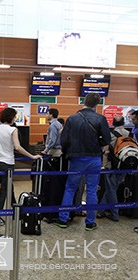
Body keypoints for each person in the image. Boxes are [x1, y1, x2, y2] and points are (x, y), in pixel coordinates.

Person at [55, 92, 111, 231]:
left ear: (84, 101)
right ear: (96, 104)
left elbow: (64, 140)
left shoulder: (72, 118)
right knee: (91, 190)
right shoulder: (100, 118)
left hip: (76, 158)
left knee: (70, 188)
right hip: (94, 158)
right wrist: (97, 144)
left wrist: (68, 151)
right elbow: (107, 139)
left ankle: (63, 219)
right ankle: (90, 222)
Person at [0, 107, 42, 227]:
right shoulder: (12, 130)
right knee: (5, 189)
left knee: (9, 187)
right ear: (11, 118)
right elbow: (18, 147)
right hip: (8, 162)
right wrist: (32, 156)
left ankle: (16, 212)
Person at [97, 116, 131, 221]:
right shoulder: (129, 134)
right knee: (111, 188)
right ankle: (100, 211)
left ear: (113, 123)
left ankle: (114, 214)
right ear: (124, 123)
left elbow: (106, 151)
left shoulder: (110, 134)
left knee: (111, 189)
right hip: (125, 165)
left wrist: (104, 165)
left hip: (112, 165)